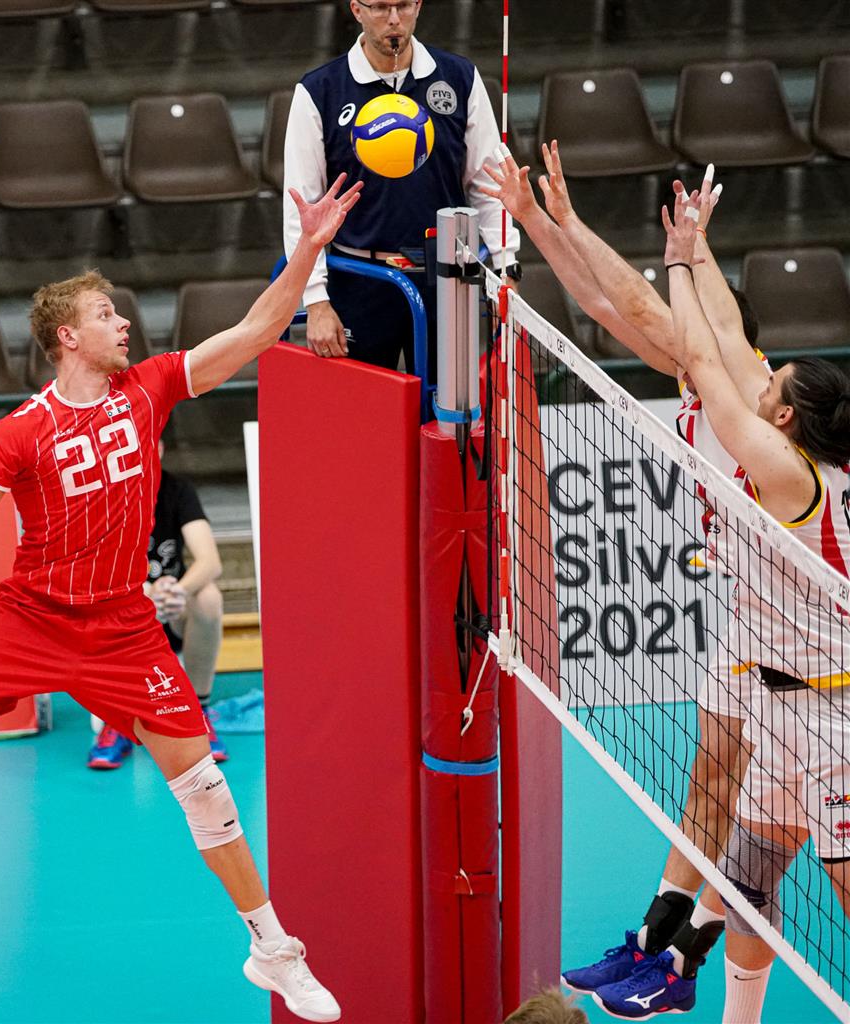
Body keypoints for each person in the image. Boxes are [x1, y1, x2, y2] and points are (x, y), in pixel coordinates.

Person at [0, 174, 363, 1023]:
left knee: (206, 790)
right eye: (108, 315)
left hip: (122, 627)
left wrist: (309, 251)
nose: (125, 325)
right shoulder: (21, 430)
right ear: (68, 336)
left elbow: (259, 329)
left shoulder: (150, 389)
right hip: (29, 618)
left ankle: (271, 948)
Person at [480, 144, 766, 1010]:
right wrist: (539, 222)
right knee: (711, 781)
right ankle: (654, 946)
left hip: (801, 634)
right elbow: (607, 306)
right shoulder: (700, 384)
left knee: (764, 828)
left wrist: (574, 223)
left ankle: (681, 964)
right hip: (747, 614)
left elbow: (638, 301)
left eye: (687, 321)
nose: (668, 331)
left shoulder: (748, 384)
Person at [658, 190, 849, 1024]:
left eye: (769, 385)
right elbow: (733, 343)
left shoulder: (789, 477)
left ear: (784, 416)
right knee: (746, 881)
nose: (758, 377)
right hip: (781, 703)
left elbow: (707, 364)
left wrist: (673, 267)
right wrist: (699, 245)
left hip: (836, 716)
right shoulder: (802, 457)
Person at [283, 0, 519, 372]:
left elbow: (489, 185)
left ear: (419, 6)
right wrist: (315, 300)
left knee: (450, 406)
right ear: (356, 10)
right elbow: (302, 207)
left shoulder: (460, 78)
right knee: (364, 406)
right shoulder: (319, 90)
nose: (394, 19)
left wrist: (507, 268)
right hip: (360, 279)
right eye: (380, 7)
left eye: (403, 5)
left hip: (447, 279)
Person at [89, 443, 228, 768]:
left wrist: (177, 590)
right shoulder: (100, 495)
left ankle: (198, 713)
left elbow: (210, 562)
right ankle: (118, 720)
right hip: (127, 611)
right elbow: (96, 567)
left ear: (160, 449)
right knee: (103, 599)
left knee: (208, 597)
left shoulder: (177, 490)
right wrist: (145, 591)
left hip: (171, 608)